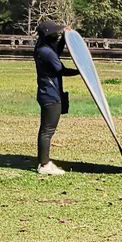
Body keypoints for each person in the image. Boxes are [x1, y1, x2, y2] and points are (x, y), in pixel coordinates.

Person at [34, 21, 79, 176]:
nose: (57, 36)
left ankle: (44, 162)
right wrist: (80, 71)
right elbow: (61, 70)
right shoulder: (46, 52)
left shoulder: (43, 48)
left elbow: (56, 52)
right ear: (49, 36)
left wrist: (65, 38)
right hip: (50, 96)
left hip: (49, 94)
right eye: (56, 34)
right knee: (47, 131)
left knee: (47, 130)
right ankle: (44, 164)